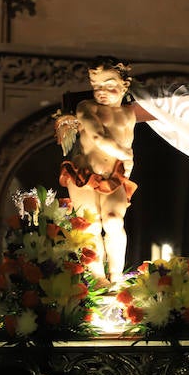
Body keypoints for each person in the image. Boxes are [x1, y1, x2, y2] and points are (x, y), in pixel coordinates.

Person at [56, 56, 137, 286]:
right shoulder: (86, 107)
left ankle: (117, 276)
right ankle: (98, 277)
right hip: (84, 174)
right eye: (96, 86)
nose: (101, 91)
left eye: (109, 85)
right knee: (91, 224)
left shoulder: (129, 114)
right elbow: (97, 136)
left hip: (113, 176)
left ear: (124, 85)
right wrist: (125, 155)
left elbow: (128, 143)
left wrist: (127, 167)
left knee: (113, 221)